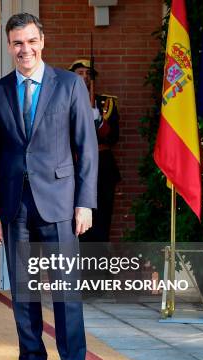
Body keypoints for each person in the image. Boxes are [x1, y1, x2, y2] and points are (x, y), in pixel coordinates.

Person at [0, 13, 98, 360]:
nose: (24, 49)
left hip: (61, 205)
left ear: (42, 41)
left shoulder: (68, 84)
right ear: (9, 45)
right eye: (17, 43)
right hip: (14, 207)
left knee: (66, 293)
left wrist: (85, 202)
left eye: (31, 41)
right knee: (24, 294)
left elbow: (87, 148)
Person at [70, 59, 121, 242]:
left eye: (88, 74)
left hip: (102, 166)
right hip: (74, 166)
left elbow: (113, 137)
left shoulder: (106, 103)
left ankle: (98, 267)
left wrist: (98, 120)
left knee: (101, 218)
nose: (84, 77)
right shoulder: (65, 101)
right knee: (74, 220)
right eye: (80, 73)